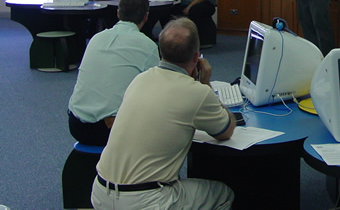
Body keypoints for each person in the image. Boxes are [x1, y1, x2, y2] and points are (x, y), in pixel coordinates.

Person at [91, 17, 235, 210]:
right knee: (224, 194)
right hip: (145, 201)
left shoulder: (140, 79)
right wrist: (205, 84)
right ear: (196, 58)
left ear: (161, 51)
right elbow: (226, 130)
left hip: (100, 194)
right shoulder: (197, 92)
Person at [68, 0, 160, 146]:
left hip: (76, 124)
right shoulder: (148, 46)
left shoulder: (96, 38)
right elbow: (156, 92)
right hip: (111, 130)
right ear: (146, 16)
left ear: (118, 13)